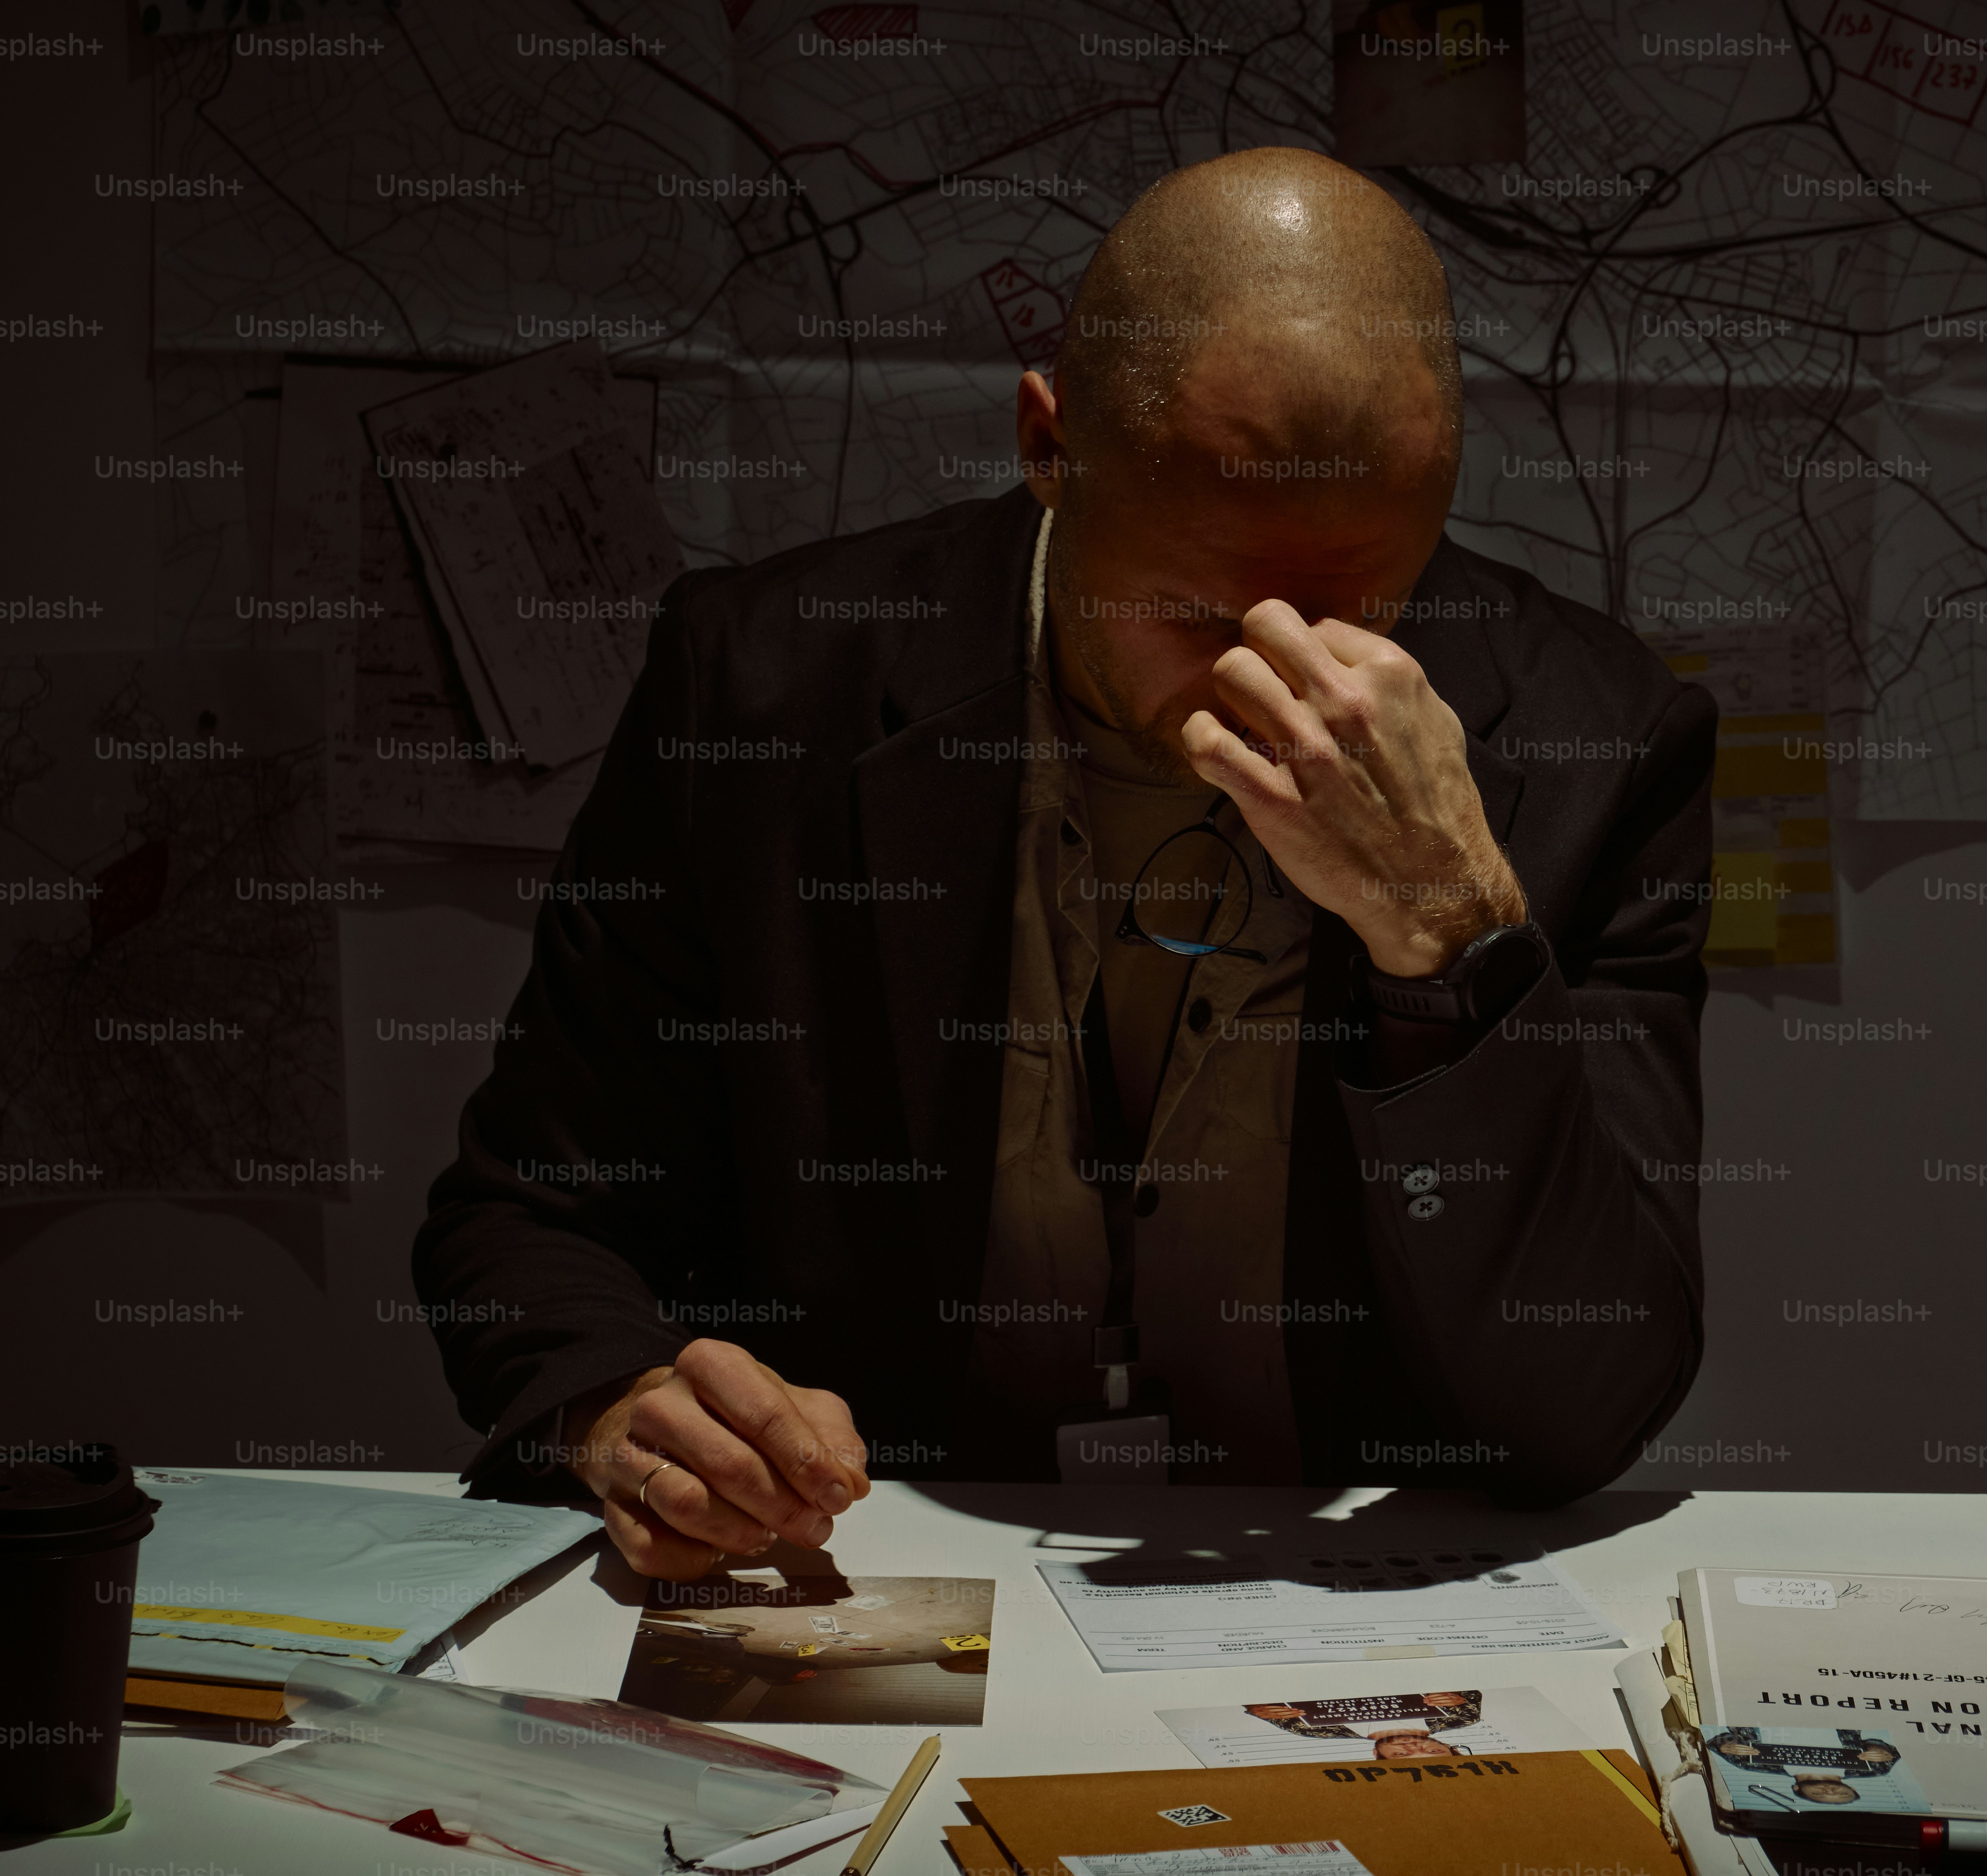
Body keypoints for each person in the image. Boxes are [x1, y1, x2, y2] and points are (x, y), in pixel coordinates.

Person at [411, 145, 1716, 1578]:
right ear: (1048, 447)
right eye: (1200, 605)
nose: (1278, 684)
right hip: (867, 1576)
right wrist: (622, 1407)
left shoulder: (1603, 746)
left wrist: (1452, 936)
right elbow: (530, 1216)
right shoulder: (759, 694)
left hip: (1334, 1610)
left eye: (1364, 605)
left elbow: (1583, 1412)